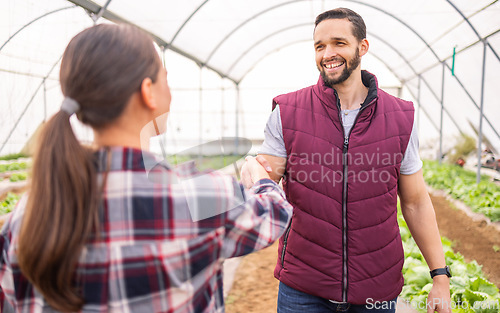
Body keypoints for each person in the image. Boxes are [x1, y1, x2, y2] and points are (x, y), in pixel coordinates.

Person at [0, 24, 292, 312]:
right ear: (148, 92)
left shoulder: (27, 215)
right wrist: (259, 178)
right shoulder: (201, 198)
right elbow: (276, 215)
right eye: (165, 78)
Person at [248, 7, 452, 313]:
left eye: (338, 43)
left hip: (375, 289)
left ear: (362, 47)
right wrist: (251, 171)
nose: (327, 53)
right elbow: (265, 182)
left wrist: (440, 276)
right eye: (319, 46)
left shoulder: (399, 117)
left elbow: (415, 202)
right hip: (303, 288)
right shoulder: (288, 112)